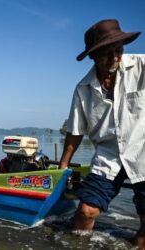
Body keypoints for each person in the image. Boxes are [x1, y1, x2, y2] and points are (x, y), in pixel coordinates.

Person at [58, 19, 145, 248]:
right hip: (108, 156)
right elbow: (75, 131)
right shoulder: (83, 89)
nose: (116, 56)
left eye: (119, 49)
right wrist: (63, 165)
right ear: (94, 56)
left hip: (143, 152)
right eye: (108, 53)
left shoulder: (142, 66)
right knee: (86, 212)